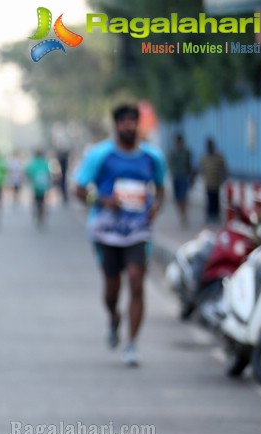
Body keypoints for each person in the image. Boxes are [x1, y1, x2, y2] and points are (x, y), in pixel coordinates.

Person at [74, 103, 166, 367]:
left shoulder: (152, 157)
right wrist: (102, 200)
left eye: (132, 121)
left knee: (137, 281)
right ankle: (114, 317)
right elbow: (79, 190)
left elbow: (160, 189)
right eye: (123, 122)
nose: (128, 126)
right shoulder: (100, 154)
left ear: (138, 124)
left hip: (138, 229)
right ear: (115, 125)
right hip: (106, 230)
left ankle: (131, 344)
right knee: (112, 286)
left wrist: (156, 208)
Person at [199, 137, 228, 224]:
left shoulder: (218, 157)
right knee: (209, 199)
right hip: (208, 183)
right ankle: (210, 215)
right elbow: (201, 169)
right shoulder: (204, 158)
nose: (210, 147)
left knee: (216, 199)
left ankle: (216, 215)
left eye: (211, 145)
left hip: (216, 182)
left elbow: (224, 169)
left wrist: (223, 179)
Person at [167, 133, 194, 226]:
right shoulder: (173, 153)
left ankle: (184, 214)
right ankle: (181, 214)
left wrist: (191, 177)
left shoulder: (186, 153)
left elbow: (190, 165)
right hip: (176, 177)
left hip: (184, 177)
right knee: (178, 198)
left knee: (184, 197)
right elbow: (170, 164)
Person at [25, 149, 53, 228]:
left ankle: (36, 213)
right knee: (42, 201)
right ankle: (41, 214)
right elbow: (48, 174)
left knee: (36, 200)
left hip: (35, 186)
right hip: (43, 186)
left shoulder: (33, 163)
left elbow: (28, 172)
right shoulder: (45, 163)